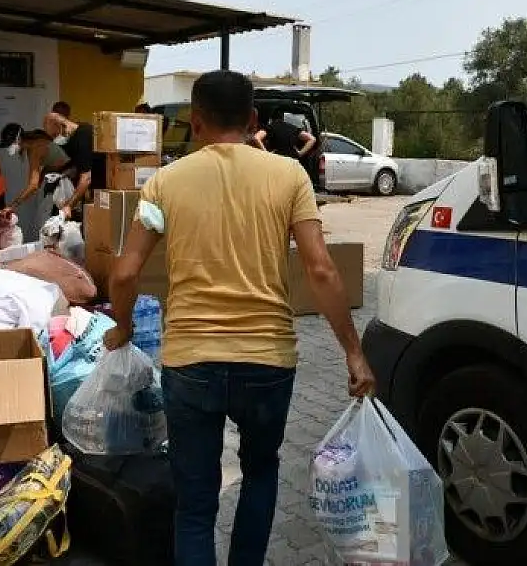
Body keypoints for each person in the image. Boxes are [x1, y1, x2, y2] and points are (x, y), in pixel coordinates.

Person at [102, 70, 375, 566]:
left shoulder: (164, 183)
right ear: (252, 120)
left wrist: (122, 327)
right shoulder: (289, 176)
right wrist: (354, 354)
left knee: (195, 501)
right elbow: (321, 269)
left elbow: (124, 274)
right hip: (267, 362)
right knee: (260, 474)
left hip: (189, 362)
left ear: (197, 121)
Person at [0, 123, 72, 219]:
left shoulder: (35, 149)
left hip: (67, 181)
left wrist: (12, 206)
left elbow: (33, 186)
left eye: (9, 145)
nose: (8, 149)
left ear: (18, 140)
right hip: (61, 177)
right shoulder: (34, 142)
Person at [42, 111, 94, 218]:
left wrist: (69, 206)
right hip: (88, 192)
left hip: (98, 191)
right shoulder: (73, 138)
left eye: (55, 135)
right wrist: (63, 175)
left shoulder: (83, 137)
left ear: (62, 126)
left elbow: (87, 178)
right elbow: (80, 164)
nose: (55, 140)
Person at [253, 111, 317, 160]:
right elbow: (312, 139)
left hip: (277, 158)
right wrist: (300, 153)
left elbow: (256, 137)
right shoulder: (293, 128)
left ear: (271, 119)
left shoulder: (271, 127)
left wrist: (266, 154)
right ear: (283, 118)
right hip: (292, 159)